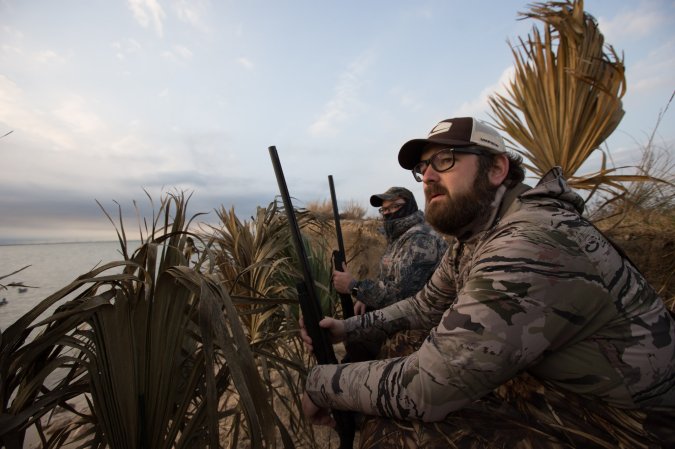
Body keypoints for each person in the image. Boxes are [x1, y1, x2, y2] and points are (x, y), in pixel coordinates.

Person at [301, 117, 675, 447]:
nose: (428, 176)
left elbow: (426, 388)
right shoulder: (478, 234)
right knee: (401, 342)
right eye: (422, 167)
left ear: (497, 168)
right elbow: (424, 305)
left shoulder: (530, 242)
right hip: (559, 383)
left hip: (633, 424)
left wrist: (320, 382)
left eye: (445, 160)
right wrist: (346, 328)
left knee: (399, 434)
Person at [332, 186, 448, 317]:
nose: (388, 212)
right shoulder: (400, 238)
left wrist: (354, 287)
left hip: (427, 323)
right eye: (385, 209)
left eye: (395, 206)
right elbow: (387, 281)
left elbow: (401, 297)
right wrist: (365, 298)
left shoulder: (420, 239)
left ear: (409, 206)